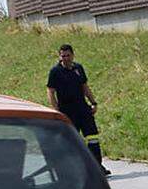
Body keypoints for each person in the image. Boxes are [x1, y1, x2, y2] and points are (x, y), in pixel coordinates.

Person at [46, 43, 110, 176]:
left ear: (73, 55)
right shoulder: (55, 72)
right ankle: (74, 170)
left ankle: (97, 168)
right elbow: (50, 92)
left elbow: (85, 87)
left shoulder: (78, 68)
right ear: (59, 56)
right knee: (72, 141)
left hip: (83, 108)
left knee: (92, 138)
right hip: (67, 110)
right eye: (63, 56)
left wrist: (93, 103)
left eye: (68, 55)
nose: (65, 58)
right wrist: (56, 110)